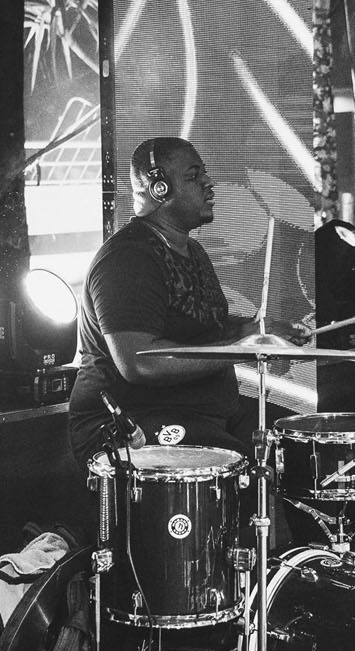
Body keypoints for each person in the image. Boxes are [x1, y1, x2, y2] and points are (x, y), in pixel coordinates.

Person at [67, 137, 301, 469]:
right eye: (193, 176)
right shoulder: (127, 259)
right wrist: (243, 349)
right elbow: (140, 362)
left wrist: (255, 330)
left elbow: (197, 324)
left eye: (203, 174)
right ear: (159, 189)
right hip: (128, 423)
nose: (208, 183)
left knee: (300, 444)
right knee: (237, 469)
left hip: (205, 412)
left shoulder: (191, 250)